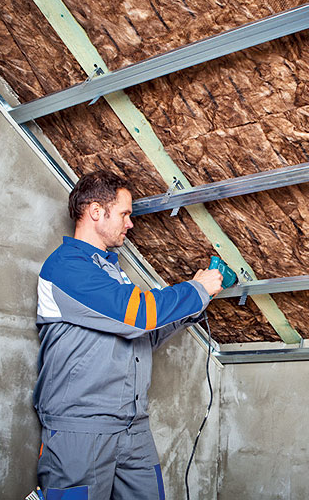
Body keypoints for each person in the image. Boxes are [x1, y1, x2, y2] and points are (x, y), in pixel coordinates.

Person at [33, 170, 223, 500]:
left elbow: (142, 335)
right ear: (96, 211)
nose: (130, 223)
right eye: (124, 214)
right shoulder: (65, 268)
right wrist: (196, 290)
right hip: (81, 429)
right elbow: (138, 315)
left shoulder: (111, 271)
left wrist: (193, 308)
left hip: (132, 426)